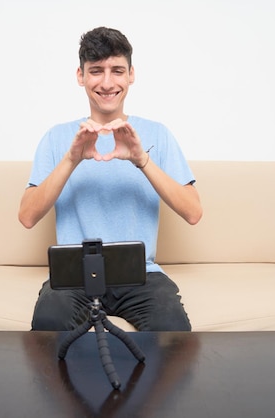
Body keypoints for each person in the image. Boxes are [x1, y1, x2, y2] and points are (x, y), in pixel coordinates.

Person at [19, 27, 202, 331]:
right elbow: (26, 216)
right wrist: (72, 158)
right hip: (73, 277)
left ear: (131, 74)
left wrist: (141, 160)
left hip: (141, 275)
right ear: (80, 76)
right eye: (96, 71)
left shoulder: (157, 134)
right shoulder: (56, 138)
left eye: (117, 70)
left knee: (173, 336)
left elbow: (193, 212)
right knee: (48, 326)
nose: (107, 82)